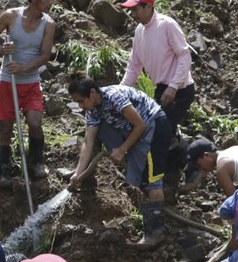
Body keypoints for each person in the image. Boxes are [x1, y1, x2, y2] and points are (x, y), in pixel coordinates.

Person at [67, 74, 173, 249]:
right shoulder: (93, 111)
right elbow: (88, 141)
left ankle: (156, 234)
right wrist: (79, 172)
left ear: (92, 92)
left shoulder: (114, 97)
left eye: (81, 101)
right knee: (144, 180)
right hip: (134, 131)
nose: (80, 106)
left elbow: (141, 125)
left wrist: (122, 149)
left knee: (152, 180)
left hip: (154, 126)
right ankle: (152, 225)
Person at [119, 0, 195, 196]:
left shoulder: (166, 25)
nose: (133, 14)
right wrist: (121, 92)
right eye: (131, 10)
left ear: (149, 6)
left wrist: (173, 85)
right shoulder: (139, 32)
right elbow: (134, 65)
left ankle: (157, 182)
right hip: (162, 89)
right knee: (162, 133)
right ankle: (185, 160)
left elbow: (184, 55)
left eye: (136, 9)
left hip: (180, 89)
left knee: (156, 134)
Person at [0, 0, 57, 186]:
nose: (50, 2)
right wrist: (1, 50)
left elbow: (44, 56)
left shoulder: (48, 24)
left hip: (31, 81)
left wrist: (24, 69)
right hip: (8, 81)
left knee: (34, 122)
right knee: (5, 127)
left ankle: (36, 162)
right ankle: (4, 171)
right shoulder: (10, 16)